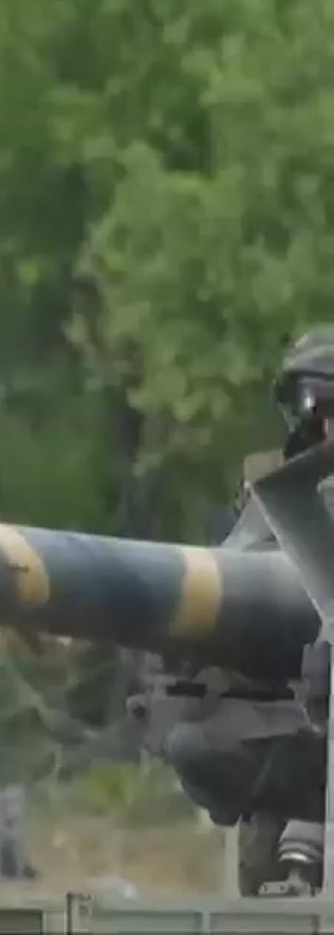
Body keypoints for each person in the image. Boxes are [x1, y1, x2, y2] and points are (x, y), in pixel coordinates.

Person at [217, 326, 334, 896]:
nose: (325, 422)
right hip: (289, 728)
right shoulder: (285, 494)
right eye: (318, 407)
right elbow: (227, 579)